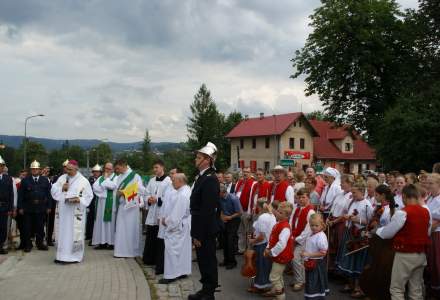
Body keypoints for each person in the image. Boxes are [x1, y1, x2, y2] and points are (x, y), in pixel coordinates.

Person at [376, 184, 431, 300]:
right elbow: (428, 232)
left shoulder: (403, 212)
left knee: (397, 289)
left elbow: (388, 233)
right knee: (416, 290)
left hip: (405, 255)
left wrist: (378, 231)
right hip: (421, 255)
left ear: (404, 196)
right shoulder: (426, 212)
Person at [188, 142, 221, 300]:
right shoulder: (202, 177)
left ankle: (209, 292)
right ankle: (205, 289)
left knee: (208, 261)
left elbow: (207, 210)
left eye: (199, 157)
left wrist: (199, 235)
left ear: (207, 160)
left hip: (205, 229)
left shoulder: (210, 179)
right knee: (203, 260)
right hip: (200, 225)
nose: (196, 159)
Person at [335, 179, 373, 298]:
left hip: (359, 235)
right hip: (349, 232)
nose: (353, 194)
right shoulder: (352, 201)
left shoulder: (367, 204)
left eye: (355, 192)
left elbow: (370, 222)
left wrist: (357, 220)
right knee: (348, 258)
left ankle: (358, 286)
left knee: (357, 260)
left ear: (362, 192)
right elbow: (347, 213)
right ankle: (350, 283)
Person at [50, 160, 93, 264]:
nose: (67, 171)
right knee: (62, 233)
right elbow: (53, 190)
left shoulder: (83, 181)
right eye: (66, 169)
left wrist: (79, 200)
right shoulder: (62, 178)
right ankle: (61, 256)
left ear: (76, 168)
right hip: (63, 211)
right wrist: (61, 188)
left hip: (75, 212)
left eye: (70, 169)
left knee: (73, 233)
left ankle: (74, 257)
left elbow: (89, 196)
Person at [160, 173, 192, 284]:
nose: (172, 182)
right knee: (182, 250)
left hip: (178, 226)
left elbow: (176, 214)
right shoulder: (184, 191)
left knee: (172, 249)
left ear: (180, 181)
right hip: (183, 225)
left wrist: (166, 221)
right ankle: (182, 271)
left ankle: (171, 275)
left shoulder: (182, 195)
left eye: (173, 180)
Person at [142, 159, 172, 275]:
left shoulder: (168, 181)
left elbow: (169, 197)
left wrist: (158, 199)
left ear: (162, 167)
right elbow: (146, 193)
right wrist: (148, 199)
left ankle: (158, 260)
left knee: (159, 237)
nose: (155, 170)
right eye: (154, 168)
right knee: (151, 235)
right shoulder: (151, 180)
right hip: (152, 211)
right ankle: (149, 258)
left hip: (161, 211)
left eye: (157, 167)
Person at [17, 160, 51, 252]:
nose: (35, 170)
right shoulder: (25, 180)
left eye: (36, 169)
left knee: (40, 227)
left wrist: (48, 207)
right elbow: (20, 195)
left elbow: (48, 194)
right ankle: (28, 245)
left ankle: (40, 243)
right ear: (30, 170)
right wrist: (20, 207)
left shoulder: (45, 180)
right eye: (33, 169)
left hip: (41, 207)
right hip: (28, 208)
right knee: (27, 227)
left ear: (40, 170)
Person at [113, 159, 144, 258]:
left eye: (118, 168)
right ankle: (120, 251)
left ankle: (131, 251)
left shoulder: (135, 176)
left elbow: (139, 189)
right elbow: (116, 189)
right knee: (121, 229)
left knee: (130, 229)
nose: (117, 171)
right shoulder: (119, 177)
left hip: (131, 207)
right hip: (122, 206)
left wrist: (124, 192)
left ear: (123, 165)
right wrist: (118, 193)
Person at [262, 201, 294, 299]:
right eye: (278, 211)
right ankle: (277, 292)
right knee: (278, 276)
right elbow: (272, 238)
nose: (278, 213)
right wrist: (267, 248)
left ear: (287, 216)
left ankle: (280, 296)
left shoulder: (285, 227)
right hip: (277, 255)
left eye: (281, 213)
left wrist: (271, 252)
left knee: (274, 277)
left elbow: (281, 244)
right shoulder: (278, 223)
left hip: (281, 256)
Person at [247, 198, 276, 294]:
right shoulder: (271, 215)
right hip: (269, 244)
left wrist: (252, 241)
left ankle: (259, 286)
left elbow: (261, 236)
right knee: (266, 266)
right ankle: (266, 285)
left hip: (262, 245)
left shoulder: (263, 217)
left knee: (260, 266)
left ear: (259, 206)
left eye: (256, 206)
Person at [290, 188, 315, 292]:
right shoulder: (297, 208)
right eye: (299, 197)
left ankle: (300, 281)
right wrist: (291, 235)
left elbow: (308, 230)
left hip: (304, 240)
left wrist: (297, 239)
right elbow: (292, 221)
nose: (301, 199)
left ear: (308, 198)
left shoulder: (310, 211)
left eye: (303, 197)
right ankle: (300, 279)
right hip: (294, 237)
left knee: (295, 259)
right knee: (298, 261)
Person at [327, 174, 353, 270]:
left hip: (341, 223)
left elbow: (346, 213)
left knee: (340, 246)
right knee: (332, 245)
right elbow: (333, 208)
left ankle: (340, 268)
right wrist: (329, 218)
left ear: (349, 183)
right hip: (333, 222)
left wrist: (335, 222)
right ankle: (332, 266)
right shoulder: (340, 194)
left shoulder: (351, 196)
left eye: (343, 183)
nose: (341, 184)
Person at [302, 213, 329, 300]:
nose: (314, 227)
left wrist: (309, 254)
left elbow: (323, 253)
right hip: (311, 263)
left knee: (315, 284)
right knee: (310, 283)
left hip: (317, 264)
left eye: (316, 225)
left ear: (322, 225)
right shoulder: (312, 233)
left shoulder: (321, 237)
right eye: (312, 225)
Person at [91, 162, 118, 249]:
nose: (107, 170)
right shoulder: (100, 178)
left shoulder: (116, 178)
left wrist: (105, 182)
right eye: (106, 168)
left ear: (113, 169)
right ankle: (101, 242)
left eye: (109, 169)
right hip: (100, 205)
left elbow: (113, 186)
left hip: (110, 204)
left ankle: (111, 243)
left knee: (109, 223)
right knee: (100, 223)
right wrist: (104, 186)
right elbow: (95, 187)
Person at [219, 183, 241, 270]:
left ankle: (232, 262)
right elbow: (220, 209)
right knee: (224, 240)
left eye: (218, 193)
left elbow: (240, 212)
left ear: (223, 192)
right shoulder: (219, 198)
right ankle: (226, 260)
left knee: (230, 241)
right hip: (225, 219)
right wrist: (222, 217)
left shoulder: (233, 198)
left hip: (234, 219)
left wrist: (230, 217)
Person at [47, 159, 69, 246]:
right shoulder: (57, 177)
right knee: (52, 221)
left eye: (68, 167)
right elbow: (52, 190)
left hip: (68, 202)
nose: (66, 169)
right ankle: (49, 238)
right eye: (65, 167)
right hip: (56, 202)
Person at [426, 173, 440, 295]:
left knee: (437, 262)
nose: (428, 185)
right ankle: (433, 287)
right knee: (431, 262)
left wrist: (425, 233)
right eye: (427, 183)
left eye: (431, 183)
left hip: (436, 234)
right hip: (430, 234)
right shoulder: (430, 197)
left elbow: (436, 221)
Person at [236, 167, 255, 254]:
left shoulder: (253, 183)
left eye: (247, 172)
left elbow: (252, 197)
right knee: (241, 231)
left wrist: (249, 211)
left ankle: (249, 249)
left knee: (249, 231)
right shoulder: (240, 182)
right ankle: (241, 249)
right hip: (239, 211)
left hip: (246, 210)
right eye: (244, 172)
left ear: (250, 173)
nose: (245, 173)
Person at [0, 156, 14, 254]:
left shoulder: (8, 178)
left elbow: (11, 194)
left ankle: (0, 246)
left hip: (4, 207)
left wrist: (10, 208)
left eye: (1, 166)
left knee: (3, 227)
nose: (0, 167)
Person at [86, 164, 102, 243]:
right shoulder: (90, 179)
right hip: (92, 201)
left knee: (97, 219)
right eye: (94, 172)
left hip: (99, 201)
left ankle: (94, 237)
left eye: (97, 172)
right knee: (90, 218)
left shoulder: (102, 179)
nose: (95, 173)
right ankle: (89, 234)